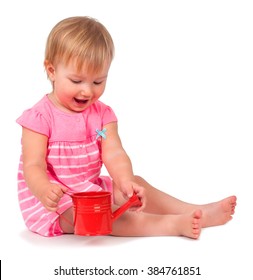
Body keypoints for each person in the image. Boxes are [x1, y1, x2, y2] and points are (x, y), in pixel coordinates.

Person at [17, 16, 237, 238]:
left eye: (97, 82)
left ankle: (192, 211)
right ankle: (170, 225)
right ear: (52, 71)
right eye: (76, 81)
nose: (87, 91)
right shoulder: (40, 118)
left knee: (136, 184)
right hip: (54, 204)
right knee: (99, 215)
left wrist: (125, 180)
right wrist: (44, 190)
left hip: (90, 189)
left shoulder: (102, 116)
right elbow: (33, 165)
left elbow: (113, 151)